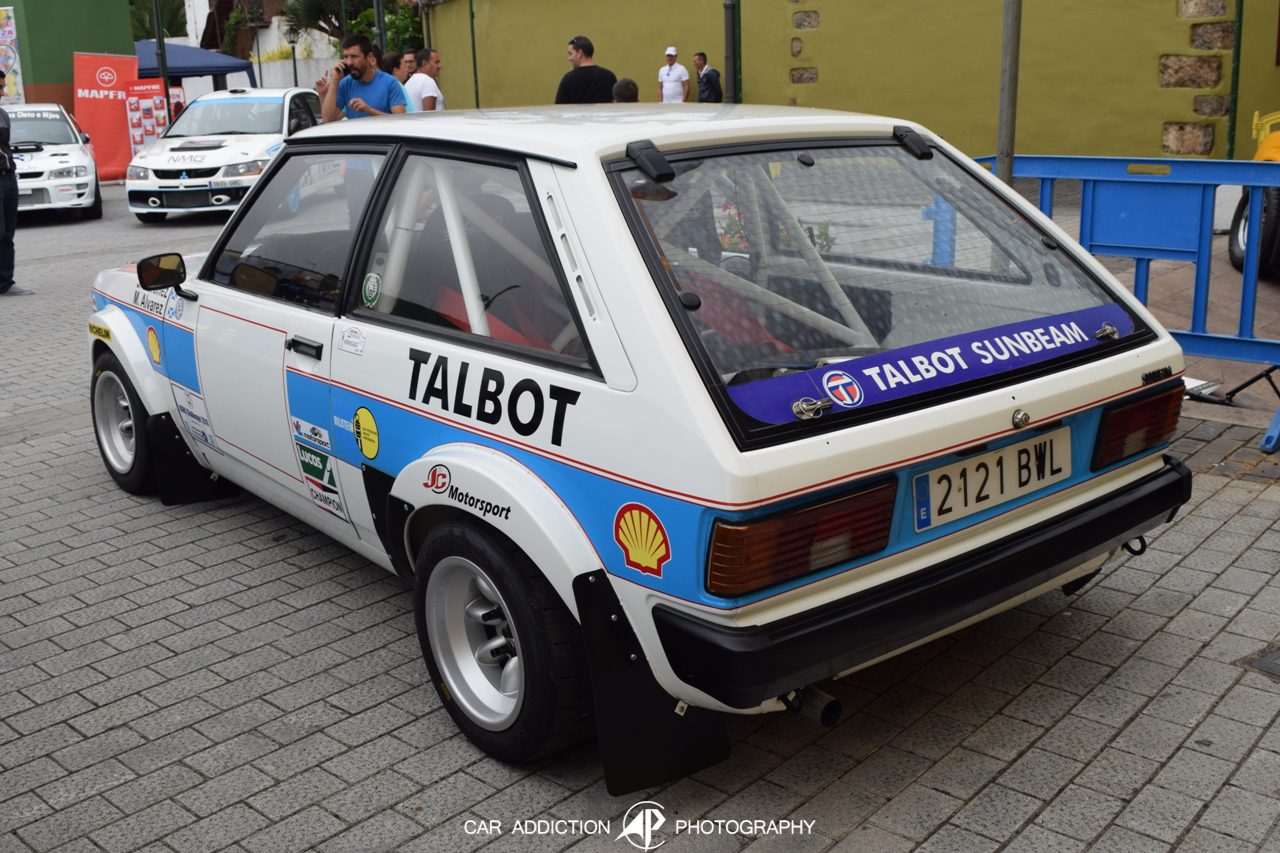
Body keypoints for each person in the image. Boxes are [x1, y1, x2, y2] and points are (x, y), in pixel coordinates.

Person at [320, 34, 407, 123]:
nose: (349, 62)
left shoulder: (390, 82)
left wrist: (369, 110)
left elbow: (399, 121)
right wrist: (334, 80)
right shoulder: (345, 84)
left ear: (369, 57)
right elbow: (328, 120)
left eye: (354, 56)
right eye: (346, 57)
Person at [0, 77, 26, 297]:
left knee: (7, 233)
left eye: (2, 86)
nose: (2, 91)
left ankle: (6, 283)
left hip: (8, 178)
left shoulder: (3, 115)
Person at [555, 35, 617, 105]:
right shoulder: (609, 77)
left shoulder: (568, 79)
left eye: (570, 54)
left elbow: (559, 109)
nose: (569, 58)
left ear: (580, 53)